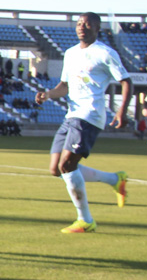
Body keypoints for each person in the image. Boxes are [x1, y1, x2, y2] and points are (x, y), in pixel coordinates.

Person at [34, 12, 132, 233]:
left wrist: (121, 111)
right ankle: (115, 179)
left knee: (67, 165)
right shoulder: (70, 53)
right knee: (56, 169)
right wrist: (47, 94)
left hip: (90, 115)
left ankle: (85, 220)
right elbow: (64, 86)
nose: (82, 27)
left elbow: (126, 81)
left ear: (97, 29)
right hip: (71, 115)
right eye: (79, 23)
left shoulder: (105, 53)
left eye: (87, 24)